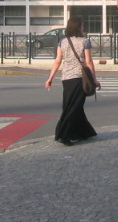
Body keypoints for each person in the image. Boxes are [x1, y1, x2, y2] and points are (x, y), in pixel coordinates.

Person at [45, 16, 101, 146]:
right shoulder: (85, 42)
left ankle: (83, 132)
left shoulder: (62, 42)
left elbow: (58, 61)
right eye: (82, 25)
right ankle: (63, 134)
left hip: (66, 78)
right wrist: (94, 79)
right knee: (73, 107)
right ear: (78, 27)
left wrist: (50, 78)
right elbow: (88, 62)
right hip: (79, 78)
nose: (83, 27)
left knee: (73, 105)